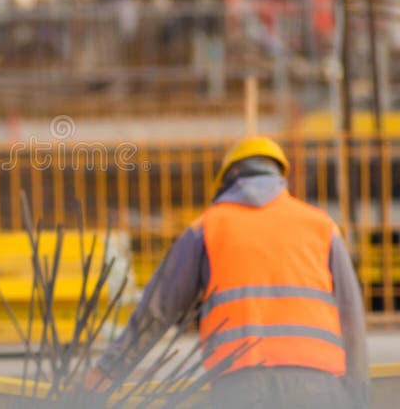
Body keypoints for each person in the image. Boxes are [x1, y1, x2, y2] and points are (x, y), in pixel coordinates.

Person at [84, 136, 369, 408]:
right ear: (279, 175)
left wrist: (107, 371)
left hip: (241, 385)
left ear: (229, 178)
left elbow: (158, 309)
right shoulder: (321, 227)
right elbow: (351, 316)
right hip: (317, 385)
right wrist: (357, 395)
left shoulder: (207, 228)